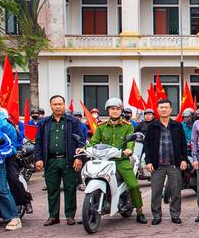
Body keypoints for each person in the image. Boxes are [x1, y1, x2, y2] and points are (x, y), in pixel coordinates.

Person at [87, 98, 147, 224]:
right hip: (104, 160)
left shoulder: (128, 127)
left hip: (121, 160)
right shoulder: (101, 127)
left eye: (117, 109)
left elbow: (130, 142)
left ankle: (140, 211)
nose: (115, 111)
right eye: (112, 109)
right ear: (108, 111)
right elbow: (93, 142)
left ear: (121, 111)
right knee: (92, 177)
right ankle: (90, 209)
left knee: (133, 185)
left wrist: (129, 150)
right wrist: (84, 148)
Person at [34, 95, 85, 226]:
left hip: (68, 161)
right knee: (52, 190)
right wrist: (38, 159)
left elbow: (80, 141)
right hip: (50, 161)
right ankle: (53, 216)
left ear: (64, 105)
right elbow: (38, 142)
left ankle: (70, 216)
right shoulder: (43, 123)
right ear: (50, 106)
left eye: (60, 104)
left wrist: (79, 158)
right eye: (55, 104)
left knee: (70, 188)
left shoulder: (73, 121)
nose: (57, 106)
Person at [144, 99, 188, 225]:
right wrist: (148, 161)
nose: (163, 109)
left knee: (176, 191)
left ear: (171, 110)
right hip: (157, 165)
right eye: (161, 107)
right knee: (156, 192)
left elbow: (183, 144)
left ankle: (175, 214)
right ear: (158, 110)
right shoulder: (152, 126)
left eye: (166, 107)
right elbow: (146, 145)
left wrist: (184, 159)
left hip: (174, 164)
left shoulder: (177, 126)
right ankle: (156, 216)